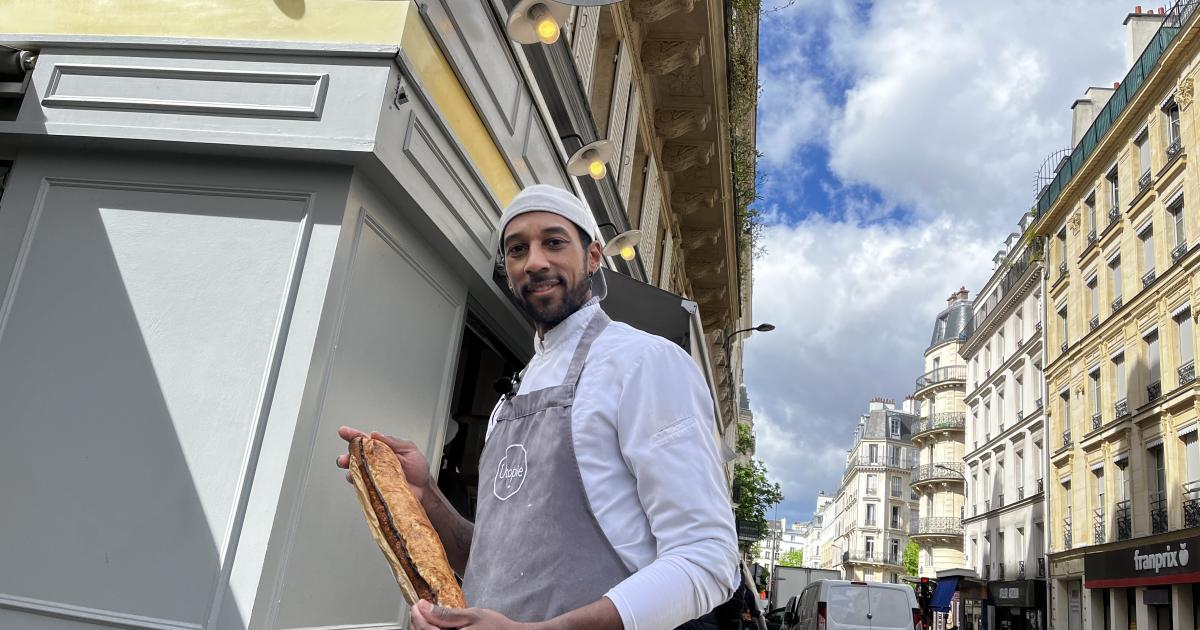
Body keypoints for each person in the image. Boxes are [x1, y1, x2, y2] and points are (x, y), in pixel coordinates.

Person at [336, 184, 738, 630]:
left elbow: (708, 558)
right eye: (517, 249)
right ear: (507, 272)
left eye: (553, 241)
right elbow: (489, 563)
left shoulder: (645, 363)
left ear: (593, 256)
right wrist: (426, 495)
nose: (535, 261)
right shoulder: (513, 395)